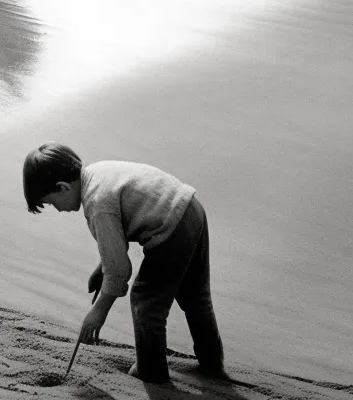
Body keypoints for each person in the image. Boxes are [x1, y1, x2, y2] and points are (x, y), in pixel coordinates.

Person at [23, 142, 225, 385]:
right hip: (190, 208)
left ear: (63, 187)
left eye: (51, 202)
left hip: (170, 228)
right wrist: (103, 267)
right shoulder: (97, 172)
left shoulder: (97, 204)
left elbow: (119, 269)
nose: (56, 209)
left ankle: (151, 372)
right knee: (195, 296)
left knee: (145, 302)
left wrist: (98, 311)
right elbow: (116, 240)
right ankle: (212, 363)